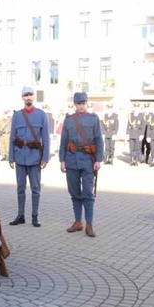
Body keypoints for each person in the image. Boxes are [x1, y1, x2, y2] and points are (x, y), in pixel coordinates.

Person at [60, 92, 103, 237]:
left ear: (87, 103)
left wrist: (98, 160)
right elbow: (64, 141)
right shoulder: (69, 120)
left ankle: (89, 224)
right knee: (74, 193)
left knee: (88, 194)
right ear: (75, 104)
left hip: (87, 161)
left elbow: (98, 140)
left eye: (83, 103)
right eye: (78, 103)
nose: (81, 106)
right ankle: (78, 221)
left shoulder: (93, 119)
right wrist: (62, 160)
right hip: (71, 159)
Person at [8, 86, 50, 228]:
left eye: (30, 95)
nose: (28, 97)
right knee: (20, 188)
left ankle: (35, 216)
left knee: (35, 188)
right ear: (22, 98)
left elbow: (46, 139)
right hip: (20, 157)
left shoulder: (41, 115)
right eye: (25, 95)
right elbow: (12, 137)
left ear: (34, 97)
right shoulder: (17, 115)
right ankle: (20, 215)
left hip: (35, 158)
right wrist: (11, 157)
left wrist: (45, 158)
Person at [126, 102, 145, 166]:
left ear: (139, 108)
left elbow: (143, 126)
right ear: (133, 108)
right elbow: (128, 125)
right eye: (135, 107)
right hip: (131, 133)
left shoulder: (142, 115)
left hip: (138, 134)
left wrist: (142, 134)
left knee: (137, 148)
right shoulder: (130, 115)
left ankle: (136, 160)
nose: (136, 108)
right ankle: (132, 160)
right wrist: (127, 133)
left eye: (137, 107)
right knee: (131, 148)